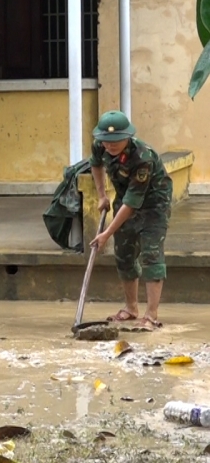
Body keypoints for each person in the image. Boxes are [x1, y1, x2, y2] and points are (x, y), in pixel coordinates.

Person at [88, 111, 171, 331]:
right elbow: (95, 164)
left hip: (153, 204)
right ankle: (131, 307)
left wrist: (106, 233)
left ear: (128, 137)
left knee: (151, 256)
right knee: (124, 254)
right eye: (107, 141)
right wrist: (102, 195)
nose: (111, 145)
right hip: (125, 199)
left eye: (116, 141)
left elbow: (133, 202)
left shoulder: (142, 157)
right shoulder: (100, 145)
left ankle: (151, 315)